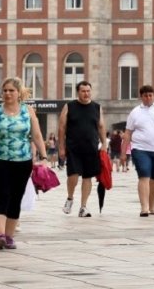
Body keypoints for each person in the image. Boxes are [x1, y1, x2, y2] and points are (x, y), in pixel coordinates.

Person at [0, 77, 48, 250]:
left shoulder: (28, 111)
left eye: (11, 90)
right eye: (5, 90)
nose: (7, 93)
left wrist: (44, 157)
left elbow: (37, 136)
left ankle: (8, 236)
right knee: (0, 196)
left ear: (18, 93)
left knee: (16, 198)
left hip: (22, 162)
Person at [120, 85, 154, 217]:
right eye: (145, 95)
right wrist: (123, 153)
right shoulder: (135, 112)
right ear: (141, 97)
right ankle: (144, 207)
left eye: (151, 95)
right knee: (144, 175)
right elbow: (128, 133)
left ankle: (152, 206)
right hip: (140, 149)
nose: (148, 97)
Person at [59, 80, 107, 217]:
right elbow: (62, 127)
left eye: (88, 91)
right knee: (73, 175)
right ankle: (70, 198)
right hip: (73, 148)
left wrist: (104, 144)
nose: (86, 94)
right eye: (83, 91)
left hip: (91, 148)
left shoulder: (97, 107)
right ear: (78, 92)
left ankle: (83, 206)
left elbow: (101, 126)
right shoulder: (69, 106)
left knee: (88, 177)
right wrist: (61, 147)